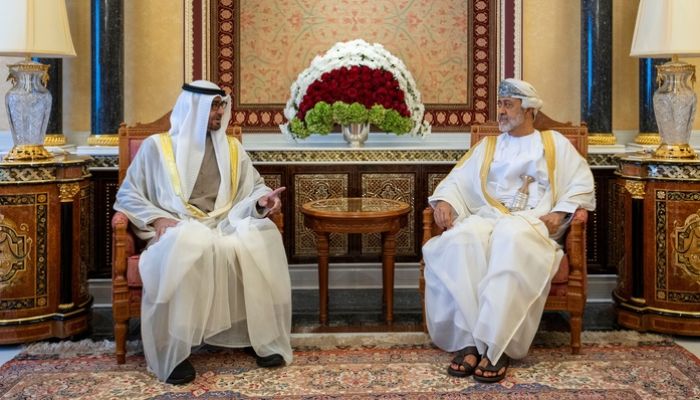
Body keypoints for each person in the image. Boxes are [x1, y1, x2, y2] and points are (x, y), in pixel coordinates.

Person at [114, 80, 293, 385]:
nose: (220, 112)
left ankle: (259, 337)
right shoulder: (157, 148)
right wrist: (157, 219)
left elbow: (254, 189)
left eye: (221, 105)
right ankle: (174, 350)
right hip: (178, 225)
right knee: (190, 241)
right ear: (193, 108)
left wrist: (262, 203)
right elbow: (128, 195)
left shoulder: (232, 149)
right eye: (213, 106)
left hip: (222, 225)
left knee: (262, 234)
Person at [422, 78, 595, 383]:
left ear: (528, 110)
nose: (500, 111)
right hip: (488, 218)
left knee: (510, 237)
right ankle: (469, 342)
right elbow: (456, 181)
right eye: (499, 104)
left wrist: (559, 213)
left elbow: (580, 183)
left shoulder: (553, 143)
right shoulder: (488, 146)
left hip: (531, 223)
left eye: (508, 105)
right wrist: (445, 201)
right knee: (461, 238)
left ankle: (497, 346)